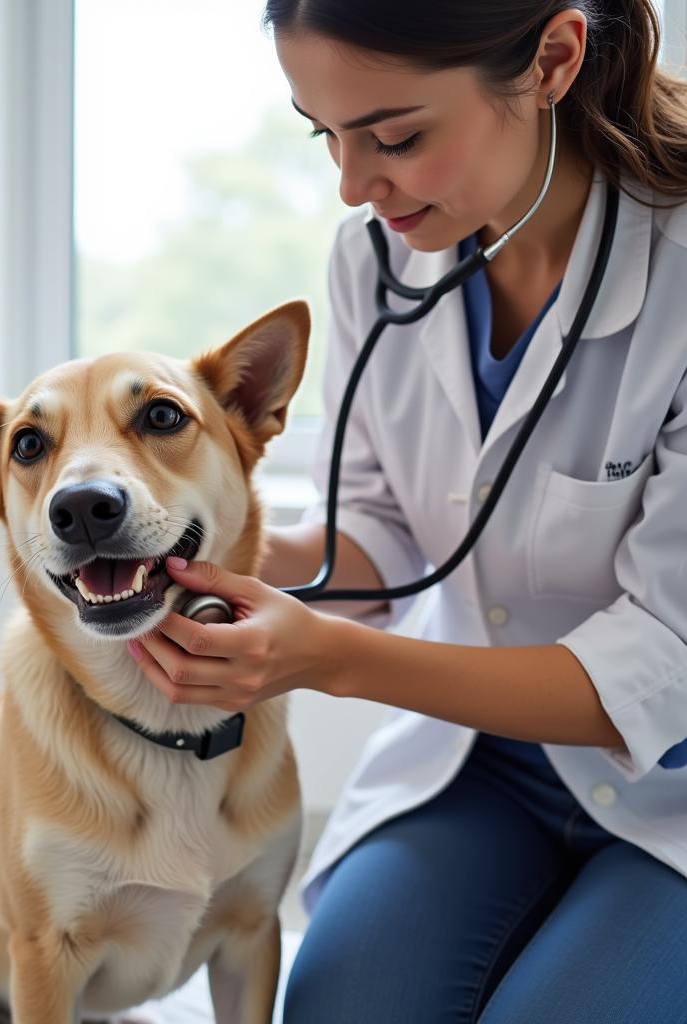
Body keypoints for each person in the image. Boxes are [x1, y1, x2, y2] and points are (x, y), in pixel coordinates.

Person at [124, 1, 687, 1020]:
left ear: (554, 58)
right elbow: (383, 534)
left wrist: (322, 657)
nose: (351, 184)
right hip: (480, 762)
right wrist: (208, 564)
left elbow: (660, 665)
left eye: (394, 136)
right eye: (323, 134)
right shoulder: (378, 258)